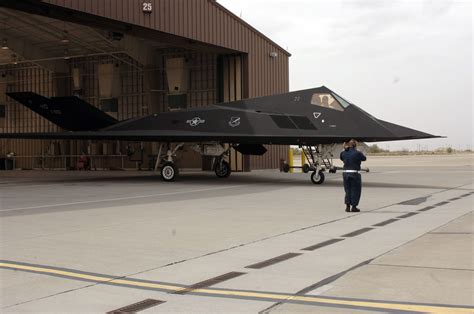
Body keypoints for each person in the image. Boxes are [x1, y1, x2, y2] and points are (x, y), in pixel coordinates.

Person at [340, 139, 367, 212]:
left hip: (345, 173)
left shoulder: (343, 153)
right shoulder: (357, 153)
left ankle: (347, 207)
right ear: (355, 145)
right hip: (354, 173)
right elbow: (364, 158)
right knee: (355, 190)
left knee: (347, 190)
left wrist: (345, 149)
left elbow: (342, 158)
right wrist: (359, 151)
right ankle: (354, 207)